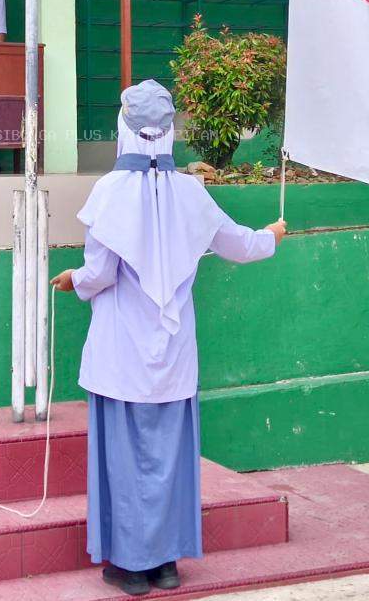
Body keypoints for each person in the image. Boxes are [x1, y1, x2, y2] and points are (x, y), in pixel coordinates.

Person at [50, 80, 287, 596]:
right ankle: (166, 564)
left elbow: (100, 273)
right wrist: (273, 234)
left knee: (124, 460)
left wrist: (74, 280)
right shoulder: (191, 193)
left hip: (121, 356)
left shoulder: (109, 193)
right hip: (174, 358)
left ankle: (130, 567)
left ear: (124, 129)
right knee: (169, 463)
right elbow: (242, 245)